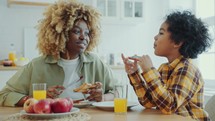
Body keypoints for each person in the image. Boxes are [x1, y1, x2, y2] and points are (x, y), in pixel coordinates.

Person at [0, 0, 117, 107]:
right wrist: (36, 99)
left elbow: (117, 91)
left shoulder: (95, 62)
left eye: (87, 33)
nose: (83, 37)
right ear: (61, 33)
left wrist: (103, 97)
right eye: (76, 31)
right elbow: (4, 95)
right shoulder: (37, 65)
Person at [122, 11, 212, 121]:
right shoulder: (164, 68)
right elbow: (148, 102)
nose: (155, 37)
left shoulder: (188, 69)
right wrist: (134, 73)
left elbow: (169, 106)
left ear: (177, 43)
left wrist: (149, 71)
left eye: (161, 33)